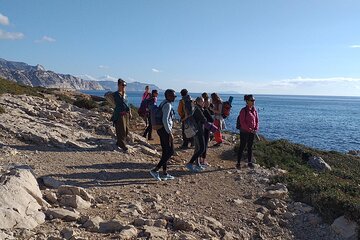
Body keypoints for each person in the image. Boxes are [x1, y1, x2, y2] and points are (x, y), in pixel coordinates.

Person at [150, 89, 177, 181]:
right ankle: (155, 170)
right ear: (168, 96)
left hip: (161, 130)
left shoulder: (163, 103)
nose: (175, 97)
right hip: (165, 131)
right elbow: (165, 120)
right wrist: (170, 133)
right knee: (170, 151)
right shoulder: (168, 105)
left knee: (165, 151)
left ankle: (165, 173)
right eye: (173, 96)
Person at [236, 94, 259, 169]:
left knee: (250, 147)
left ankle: (249, 162)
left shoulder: (254, 110)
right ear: (247, 101)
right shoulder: (243, 110)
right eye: (252, 100)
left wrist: (256, 128)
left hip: (252, 132)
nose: (253, 101)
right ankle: (238, 163)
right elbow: (242, 123)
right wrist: (250, 130)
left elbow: (257, 120)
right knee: (242, 147)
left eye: (254, 100)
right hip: (244, 132)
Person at [186, 97, 207, 172]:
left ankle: (197, 164)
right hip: (199, 131)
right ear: (199, 102)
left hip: (195, 130)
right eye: (203, 101)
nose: (204, 103)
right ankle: (190, 163)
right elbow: (204, 119)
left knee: (197, 148)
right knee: (202, 148)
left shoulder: (195, 108)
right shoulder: (198, 109)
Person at [111, 78, 132, 152]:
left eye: (125, 85)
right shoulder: (116, 94)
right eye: (122, 85)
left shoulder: (125, 94)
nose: (124, 86)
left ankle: (119, 142)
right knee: (121, 129)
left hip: (126, 114)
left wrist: (130, 112)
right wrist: (123, 93)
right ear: (119, 85)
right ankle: (122, 145)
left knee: (126, 129)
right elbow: (120, 102)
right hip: (119, 114)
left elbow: (127, 104)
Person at [200, 92, 213, 166]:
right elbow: (211, 120)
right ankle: (203, 160)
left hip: (200, 129)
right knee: (205, 145)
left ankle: (199, 159)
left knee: (200, 145)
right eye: (208, 102)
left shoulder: (200, 109)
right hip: (206, 129)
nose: (209, 104)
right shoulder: (206, 110)